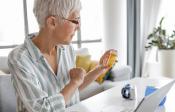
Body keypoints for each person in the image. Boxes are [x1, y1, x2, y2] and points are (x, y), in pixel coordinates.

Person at [8, 0, 116, 112]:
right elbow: (42, 109)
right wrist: (74, 82)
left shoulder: (67, 49)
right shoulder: (19, 59)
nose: (78, 26)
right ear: (52, 22)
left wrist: (100, 68)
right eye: (75, 20)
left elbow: (72, 90)